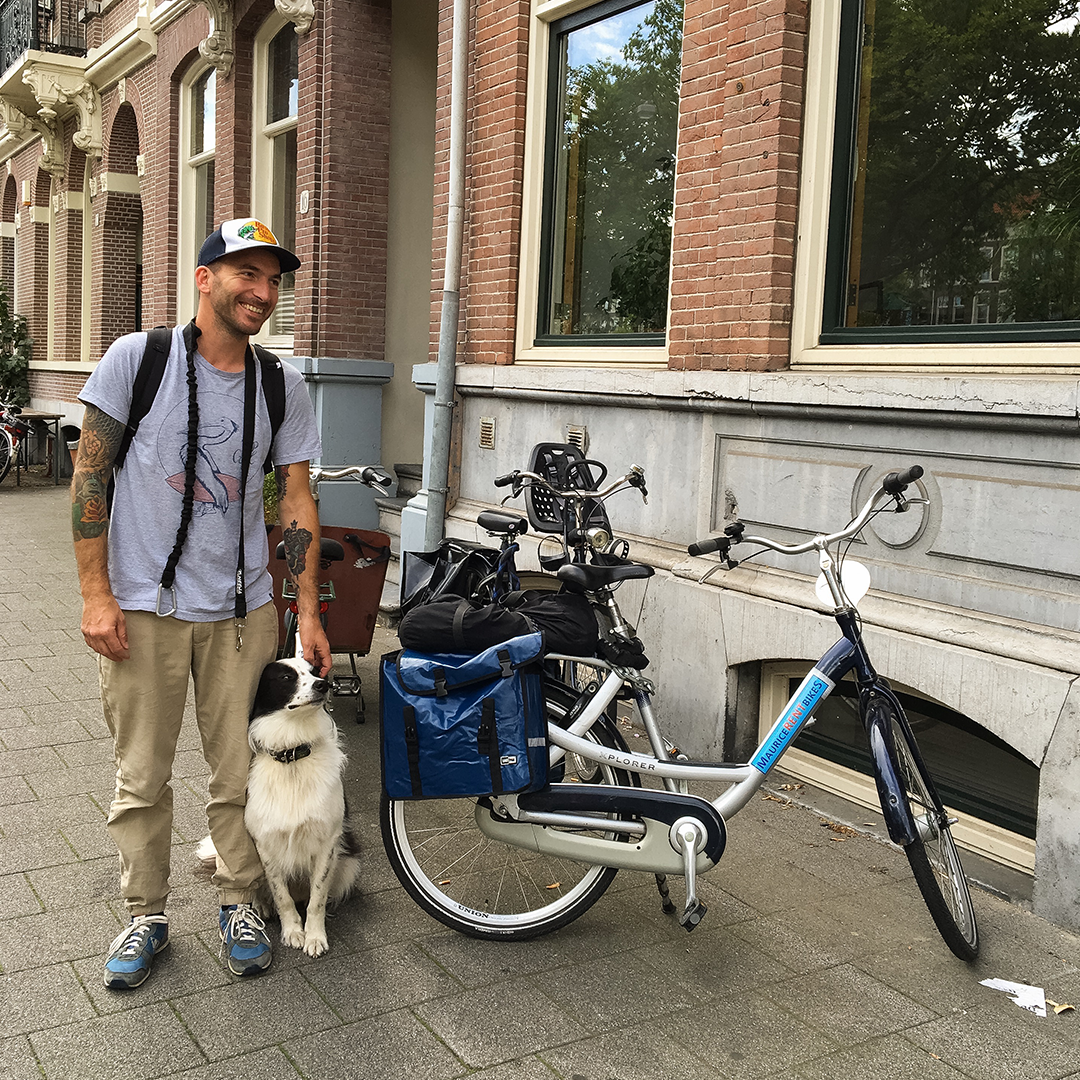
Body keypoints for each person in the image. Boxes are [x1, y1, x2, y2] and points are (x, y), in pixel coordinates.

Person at [72, 218, 331, 989]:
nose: (263, 292)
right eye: (247, 273)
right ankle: (145, 915)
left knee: (239, 774)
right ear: (205, 278)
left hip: (241, 613)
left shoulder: (280, 384)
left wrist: (309, 612)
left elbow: (296, 499)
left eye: (273, 280)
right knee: (141, 777)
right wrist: (96, 595)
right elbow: (90, 476)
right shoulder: (138, 359)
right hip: (142, 609)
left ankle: (238, 901)